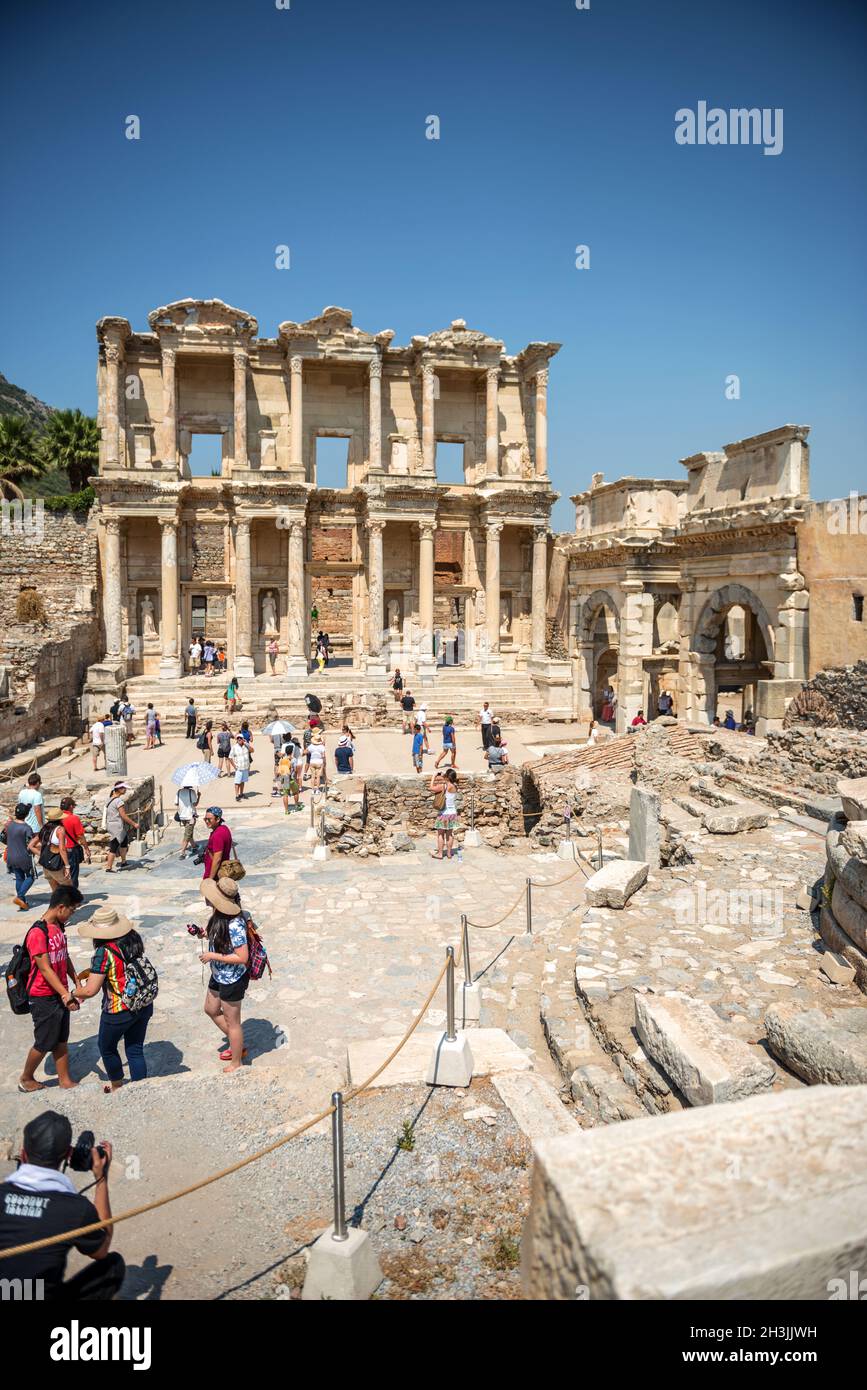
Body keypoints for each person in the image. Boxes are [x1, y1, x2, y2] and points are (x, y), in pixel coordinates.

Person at [0, 1110, 123, 1300]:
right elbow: (102, 1249)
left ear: (23, 1154)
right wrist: (101, 1179)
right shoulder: (75, 1209)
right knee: (113, 1266)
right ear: (68, 1156)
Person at [74, 906, 156, 1091]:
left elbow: (90, 991)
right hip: (142, 1004)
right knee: (135, 1049)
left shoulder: (104, 952)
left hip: (119, 1010)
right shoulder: (132, 939)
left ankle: (118, 1087)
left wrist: (71, 994)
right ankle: (140, 1090)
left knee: (107, 1047)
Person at [17, 885, 85, 1093]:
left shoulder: (58, 927)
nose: (73, 914)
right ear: (61, 907)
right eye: (72, 910)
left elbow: (64, 956)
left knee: (61, 1038)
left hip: (60, 992)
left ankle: (65, 1080)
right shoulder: (38, 932)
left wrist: (76, 980)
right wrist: (65, 995)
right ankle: (26, 1078)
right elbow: (45, 968)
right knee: (45, 1040)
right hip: (43, 995)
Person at [196, 877, 251, 1073]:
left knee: (232, 1022)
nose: (206, 899)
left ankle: (237, 1062)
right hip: (219, 974)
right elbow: (220, 938)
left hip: (232, 979)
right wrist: (204, 934)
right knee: (210, 1009)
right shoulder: (218, 915)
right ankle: (237, 1043)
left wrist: (213, 955)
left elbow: (242, 957)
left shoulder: (235, 924)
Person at [5, 802, 38, 910]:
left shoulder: (9, 825)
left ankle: (22, 903)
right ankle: (19, 897)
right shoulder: (26, 828)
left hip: (11, 856)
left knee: (19, 878)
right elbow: (30, 845)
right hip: (23, 858)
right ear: (27, 815)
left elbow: (3, 838)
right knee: (31, 877)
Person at [104, 783, 140, 874]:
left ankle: (124, 862)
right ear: (119, 789)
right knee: (114, 845)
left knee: (124, 842)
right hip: (117, 827)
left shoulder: (109, 799)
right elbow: (123, 816)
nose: (125, 790)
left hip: (111, 825)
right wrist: (134, 824)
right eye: (123, 788)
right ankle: (108, 867)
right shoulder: (119, 801)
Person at [59, 796, 91, 889]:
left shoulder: (56, 818)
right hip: (70, 850)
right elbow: (80, 836)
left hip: (58, 850)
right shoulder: (74, 818)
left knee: (61, 876)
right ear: (71, 806)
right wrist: (86, 849)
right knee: (73, 876)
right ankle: (73, 899)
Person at [430, 768, 459, 860]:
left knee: (440, 834)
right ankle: (449, 853)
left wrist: (434, 776)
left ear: (447, 776)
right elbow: (448, 781)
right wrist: (444, 775)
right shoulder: (455, 785)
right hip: (453, 813)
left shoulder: (444, 786)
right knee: (450, 834)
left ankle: (440, 853)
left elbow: (431, 788)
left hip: (444, 813)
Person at [202, 807, 233, 881]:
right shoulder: (224, 828)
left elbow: (217, 859)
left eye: (209, 819)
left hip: (215, 875)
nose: (206, 821)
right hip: (223, 872)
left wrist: (210, 879)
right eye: (205, 819)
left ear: (218, 819)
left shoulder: (217, 835)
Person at [176, 782, 200, 859]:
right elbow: (195, 804)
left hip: (182, 816)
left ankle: (194, 846)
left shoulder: (179, 792)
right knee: (187, 834)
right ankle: (182, 853)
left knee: (188, 832)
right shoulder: (191, 792)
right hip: (190, 817)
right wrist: (198, 796)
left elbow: (176, 803)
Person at [230, 734, 251, 801]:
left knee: (243, 781)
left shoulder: (246, 746)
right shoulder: (234, 747)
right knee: (237, 782)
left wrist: (246, 744)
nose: (239, 739)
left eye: (240, 738)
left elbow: (252, 750)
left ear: (243, 739)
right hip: (238, 768)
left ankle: (241, 793)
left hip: (245, 767)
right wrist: (234, 766)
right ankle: (237, 795)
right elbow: (230, 757)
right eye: (238, 738)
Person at [308, 728, 327, 792]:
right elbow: (323, 755)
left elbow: (308, 752)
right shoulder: (322, 747)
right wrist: (324, 762)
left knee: (313, 776)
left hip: (312, 761)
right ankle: (317, 789)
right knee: (318, 776)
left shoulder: (311, 746)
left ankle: (312, 789)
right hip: (319, 761)